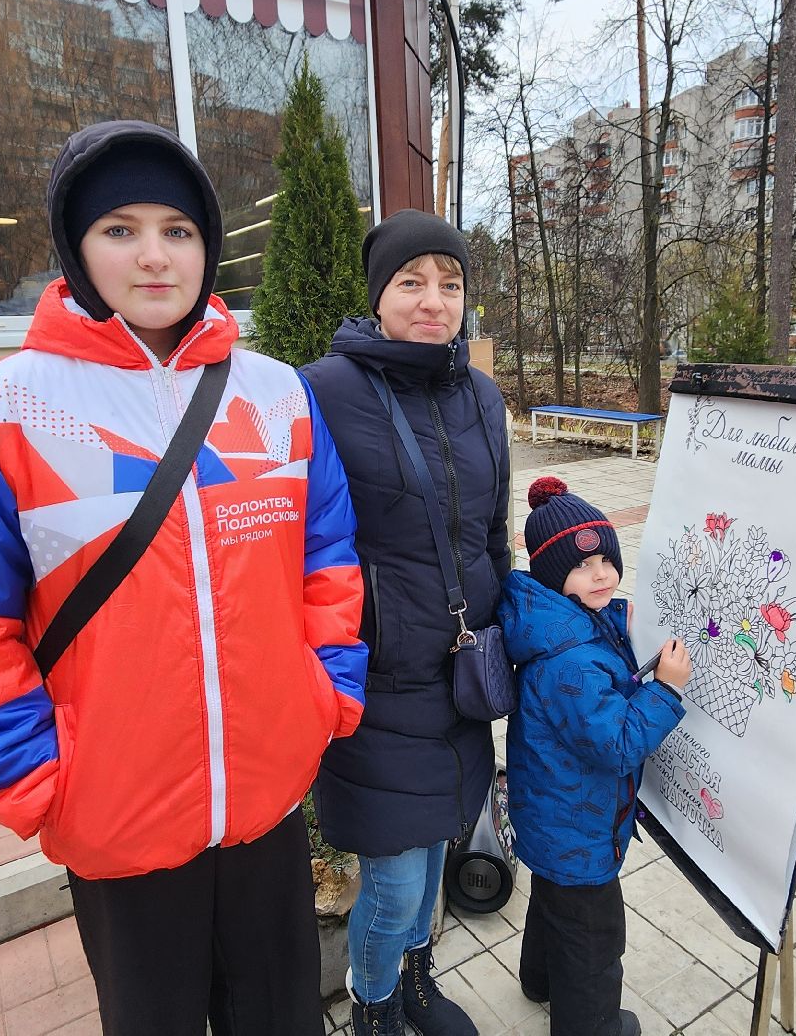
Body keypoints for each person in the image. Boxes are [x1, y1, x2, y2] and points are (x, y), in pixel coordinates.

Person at [0, 120, 366, 1035]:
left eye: (178, 230)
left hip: (267, 801)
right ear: (74, 245)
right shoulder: (6, 405)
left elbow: (329, 561)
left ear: (208, 246)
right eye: (120, 229)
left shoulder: (276, 393)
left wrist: (326, 694)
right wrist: (36, 779)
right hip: (114, 817)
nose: (154, 256)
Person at [302, 210, 510, 1035]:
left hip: (461, 675)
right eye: (411, 282)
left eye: (451, 284)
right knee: (391, 882)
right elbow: (303, 545)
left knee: (433, 864)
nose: (435, 302)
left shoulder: (482, 394)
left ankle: (417, 983)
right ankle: (374, 1008)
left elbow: (491, 532)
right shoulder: (322, 391)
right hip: (377, 679)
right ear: (378, 295)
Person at [497, 477, 692, 1036]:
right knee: (593, 939)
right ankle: (593, 1025)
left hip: (553, 821)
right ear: (554, 577)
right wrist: (666, 690)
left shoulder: (565, 622)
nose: (601, 574)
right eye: (583, 568)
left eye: (607, 558)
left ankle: (539, 980)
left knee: (553, 906)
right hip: (579, 828)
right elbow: (617, 745)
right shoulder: (571, 661)